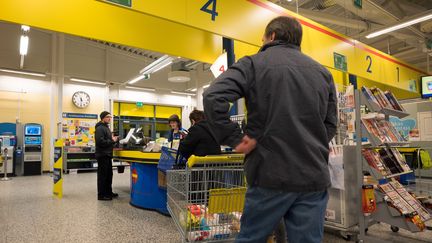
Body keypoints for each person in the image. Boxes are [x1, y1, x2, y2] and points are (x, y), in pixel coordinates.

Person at [203, 16, 337, 243]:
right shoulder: (323, 73)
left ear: (272, 36)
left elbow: (213, 95)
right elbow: (330, 124)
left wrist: (234, 138)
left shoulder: (254, 63)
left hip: (269, 174)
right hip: (313, 176)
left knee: (252, 238)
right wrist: (311, 144)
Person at [95, 111, 119, 201]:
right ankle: (101, 195)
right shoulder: (100, 128)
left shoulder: (106, 127)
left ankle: (108, 192)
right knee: (103, 176)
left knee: (109, 175)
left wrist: (113, 139)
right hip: (103, 155)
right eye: (107, 117)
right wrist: (112, 140)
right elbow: (100, 142)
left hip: (107, 155)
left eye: (110, 117)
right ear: (102, 118)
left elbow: (107, 140)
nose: (109, 118)